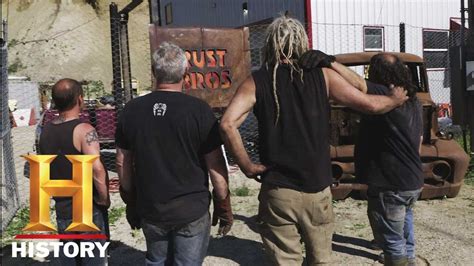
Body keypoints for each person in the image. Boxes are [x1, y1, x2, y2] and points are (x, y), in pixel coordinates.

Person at [219, 16, 409, 265]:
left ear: (270, 45)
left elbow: (227, 123)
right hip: (317, 188)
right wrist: (395, 100)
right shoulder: (323, 76)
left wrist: (247, 166)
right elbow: (370, 105)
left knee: (284, 260)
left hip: (278, 189)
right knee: (321, 260)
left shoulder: (258, 80)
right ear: (302, 43)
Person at [115, 42, 233, 266]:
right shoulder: (199, 111)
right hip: (191, 209)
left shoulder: (131, 110)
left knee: (157, 260)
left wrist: (130, 200)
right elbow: (215, 163)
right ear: (186, 72)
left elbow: (122, 161)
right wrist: (223, 202)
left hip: (151, 207)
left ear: (153, 72)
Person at [320, 52, 423, 266]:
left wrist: (330, 62)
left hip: (391, 183)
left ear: (376, 72)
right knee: (405, 221)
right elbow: (419, 140)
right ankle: (409, 257)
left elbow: (357, 83)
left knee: (392, 239)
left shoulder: (386, 94)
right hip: (412, 179)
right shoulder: (413, 99)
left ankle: (398, 261)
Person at [38, 78, 110, 266]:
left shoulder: (44, 131)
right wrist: (103, 198)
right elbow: (97, 169)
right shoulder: (84, 130)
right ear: (80, 99)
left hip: (63, 208)